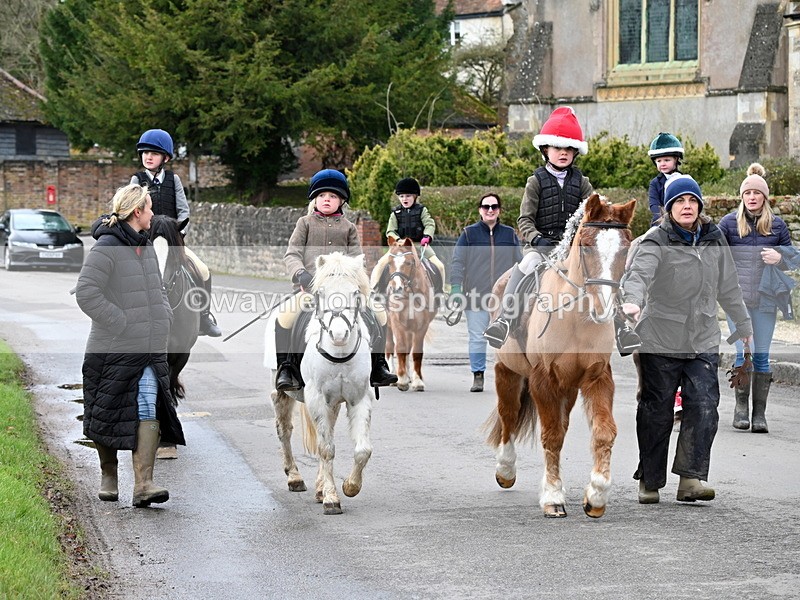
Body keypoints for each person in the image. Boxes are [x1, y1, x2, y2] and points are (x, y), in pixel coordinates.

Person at [620, 174, 752, 505]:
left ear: (700, 205)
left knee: (704, 406)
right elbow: (638, 274)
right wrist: (633, 301)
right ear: (668, 208)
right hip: (661, 337)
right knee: (656, 411)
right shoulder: (655, 239)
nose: (687, 206)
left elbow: (729, 286)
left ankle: (690, 479)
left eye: (692, 200)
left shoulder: (714, 237)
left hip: (703, 336)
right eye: (679, 201)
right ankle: (650, 481)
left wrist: (744, 326)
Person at [76, 183, 185, 507]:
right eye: (149, 208)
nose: (153, 214)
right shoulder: (107, 247)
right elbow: (86, 293)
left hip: (149, 350)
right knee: (106, 411)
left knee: (148, 406)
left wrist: (164, 314)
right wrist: (122, 322)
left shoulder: (147, 246)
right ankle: (109, 475)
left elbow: (159, 290)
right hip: (111, 349)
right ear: (137, 211)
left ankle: (144, 484)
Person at [274, 169, 398, 392]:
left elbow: (357, 260)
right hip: (310, 290)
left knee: (379, 312)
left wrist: (357, 284)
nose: (326, 200)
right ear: (314, 199)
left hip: (344, 291)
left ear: (341, 201)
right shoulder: (304, 223)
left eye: (332, 196)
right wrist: (301, 273)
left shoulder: (349, 228)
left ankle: (378, 365)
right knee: (284, 317)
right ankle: (286, 367)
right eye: (322, 196)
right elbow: (291, 254)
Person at [483, 106, 593, 348]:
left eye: (568, 149)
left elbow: (592, 216)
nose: (563, 153)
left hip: (572, 249)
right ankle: (504, 320)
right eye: (557, 148)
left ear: (575, 152)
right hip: (541, 247)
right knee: (525, 266)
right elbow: (525, 220)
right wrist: (536, 238)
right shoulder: (536, 181)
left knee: (601, 270)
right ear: (546, 150)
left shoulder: (583, 183)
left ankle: (621, 324)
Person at [718, 163, 793, 433]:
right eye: (747, 193)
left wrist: (780, 257)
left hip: (765, 301)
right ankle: (740, 410)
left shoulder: (777, 225)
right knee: (742, 353)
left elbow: (794, 260)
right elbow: (715, 255)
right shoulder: (727, 224)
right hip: (736, 302)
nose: (751, 197)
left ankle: (759, 414)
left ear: (764, 197)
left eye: (756, 193)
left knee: (761, 355)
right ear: (742, 197)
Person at [131, 128, 221, 337]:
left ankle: (204, 317)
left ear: (165, 157)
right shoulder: (136, 180)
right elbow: (132, 212)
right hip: (145, 241)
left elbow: (183, 211)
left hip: (171, 241)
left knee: (203, 270)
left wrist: (179, 234)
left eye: (153, 153)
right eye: (145, 153)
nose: (148, 157)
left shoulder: (174, 180)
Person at [450, 193, 522, 392]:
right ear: (480, 210)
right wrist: (456, 288)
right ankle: (478, 375)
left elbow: (520, 263)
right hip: (476, 296)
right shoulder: (468, 234)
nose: (490, 210)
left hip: (505, 298)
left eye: (494, 206)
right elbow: (457, 262)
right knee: (477, 337)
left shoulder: (509, 234)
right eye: (486, 206)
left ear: (499, 210)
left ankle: (510, 373)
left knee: (508, 337)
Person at [377, 177, 446, 295]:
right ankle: (377, 290)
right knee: (381, 264)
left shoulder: (422, 210)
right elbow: (390, 231)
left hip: (419, 245)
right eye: (401, 196)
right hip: (399, 247)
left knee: (439, 266)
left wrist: (427, 236)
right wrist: (398, 241)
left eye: (408, 196)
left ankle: (440, 292)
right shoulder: (395, 213)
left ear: (415, 196)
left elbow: (429, 223)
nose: (404, 199)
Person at [647, 132, 684, 225]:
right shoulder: (655, 183)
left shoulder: (685, 180)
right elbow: (654, 205)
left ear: (676, 159)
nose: (662, 163)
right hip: (661, 222)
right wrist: (663, 220)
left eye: (667, 160)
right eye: (659, 161)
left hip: (683, 220)